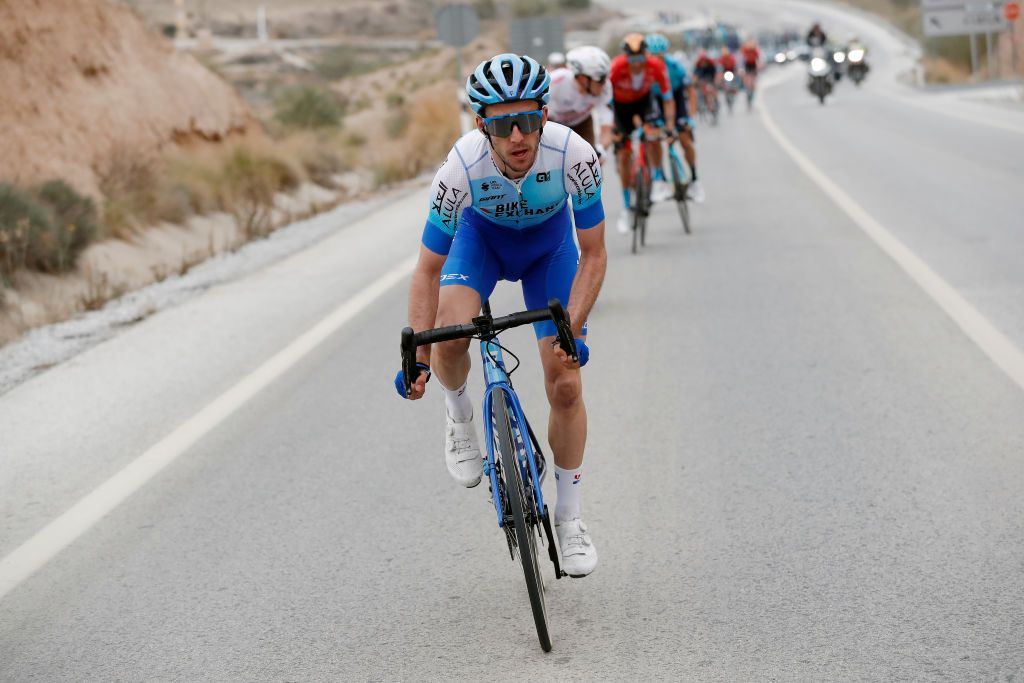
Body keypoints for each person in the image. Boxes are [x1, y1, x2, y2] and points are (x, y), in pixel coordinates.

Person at [395, 53, 606, 577]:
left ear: (546, 115)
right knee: (449, 339)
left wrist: (571, 325)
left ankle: (569, 518)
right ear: (480, 125)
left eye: (529, 120)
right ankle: (460, 415)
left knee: (566, 385)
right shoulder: (460, 166)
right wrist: (419, 353)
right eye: (502, 123)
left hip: (548, 251)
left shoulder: (573, 155)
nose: (518, 136)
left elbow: (595, 254)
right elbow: (426, 272)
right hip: (481, 243)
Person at [608, 33, 676, 233]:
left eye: (640, 59)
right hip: (620, 107)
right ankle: (627, 206)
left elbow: (668, 98)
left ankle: (657, 180)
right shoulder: (616, 67)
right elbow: (605, 101)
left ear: (646, 55)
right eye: (632, 59)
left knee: (654, 134)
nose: (637, 64)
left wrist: (670, 125)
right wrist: (611, 128)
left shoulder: (655, 65)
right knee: (623, 153)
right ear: (626, 57)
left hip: (645, 102)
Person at [645, 33, 704, 203]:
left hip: (676, 101)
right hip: (655, 101)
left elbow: (690, 92)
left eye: (660, 56)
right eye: (653, 57)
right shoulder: (644, 69)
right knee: (653, 138)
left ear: (666, 53)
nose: (657, 60)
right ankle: (660, 179)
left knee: (685, 139)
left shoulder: (676, 66)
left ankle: (694, 179)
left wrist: (691, 117)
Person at [547, 46, 614, 159]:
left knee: (590, 162)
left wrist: (601, 150)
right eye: (600, 79)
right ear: (583, 78)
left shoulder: (605, 88)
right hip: (552, 123)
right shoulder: (556, 81)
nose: (604, 84)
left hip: (582, 123)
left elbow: (606, 129)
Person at [740, 39, 761, 103]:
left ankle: (753, 89)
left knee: (753, 79)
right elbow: (741, 58)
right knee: (746, 78)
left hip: (753, 66)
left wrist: (759, 66)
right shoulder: (745, 50)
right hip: (747, 65)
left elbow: (758, 60)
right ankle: (746, 88)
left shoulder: (755, 51)